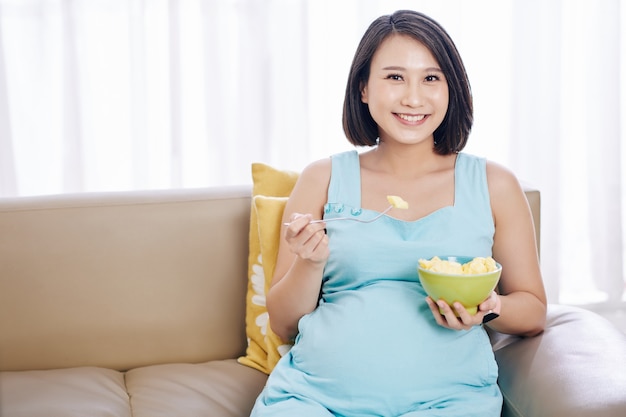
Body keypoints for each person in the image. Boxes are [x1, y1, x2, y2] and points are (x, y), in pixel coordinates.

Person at [250, 9, 546, 417]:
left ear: (451, 89)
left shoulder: (495, 184)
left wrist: (488, 308)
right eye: (394, 77)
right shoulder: (323, 178)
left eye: (431, 78)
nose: (413, 97)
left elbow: (533, 309)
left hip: (449, 402)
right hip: (311, 399)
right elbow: (283, 323)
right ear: (363, 89)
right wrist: (309, 261)